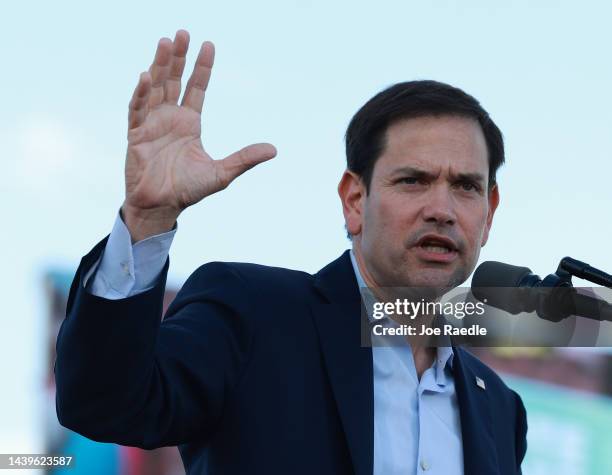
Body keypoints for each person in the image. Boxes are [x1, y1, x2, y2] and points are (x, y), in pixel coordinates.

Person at [54, 29, 527, 475]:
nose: (441, 209)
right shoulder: (253, 313)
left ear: (489, 212)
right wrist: (147, 221)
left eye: (466, 186)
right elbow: (105, 403)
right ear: (355, 201)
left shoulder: (500, 409)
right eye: (413, 180)